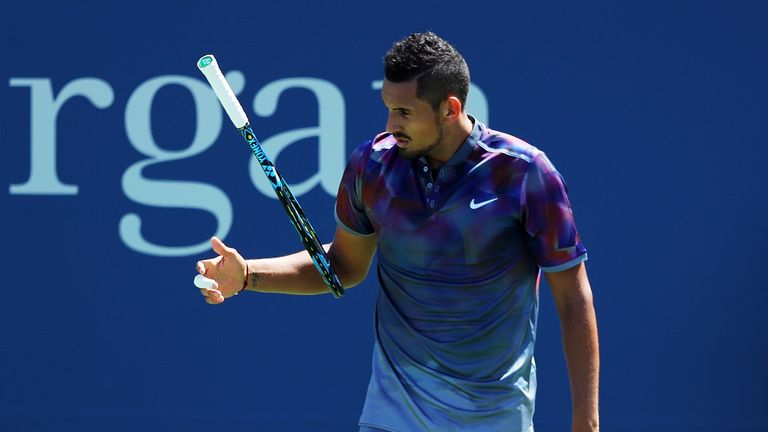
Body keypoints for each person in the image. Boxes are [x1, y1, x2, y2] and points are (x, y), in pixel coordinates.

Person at [196, 32, 599, 432]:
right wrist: (248, 275)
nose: (391, 124)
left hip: (494, 417)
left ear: (449, 108)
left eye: (404, 112)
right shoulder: (372, 166)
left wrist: (587, 421)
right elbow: (342, 267)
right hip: (392, 416)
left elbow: (572, 296)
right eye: (388, 108)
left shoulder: (524, 173)